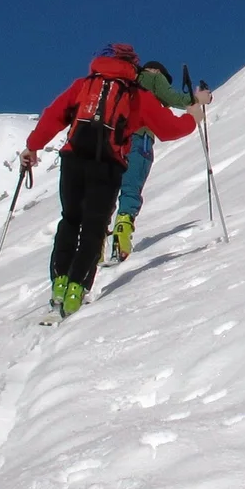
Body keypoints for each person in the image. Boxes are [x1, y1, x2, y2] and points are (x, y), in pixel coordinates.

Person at [20, 44, 206, 319]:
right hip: (108, 164)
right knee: (94, 227)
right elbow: (168, 128)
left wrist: (32, 147)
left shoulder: (84, 85)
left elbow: (54, 115)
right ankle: (76, 290)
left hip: (73, 160)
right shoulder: (136, 94)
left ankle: (59, 283)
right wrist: (193, 118)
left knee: (70, 219)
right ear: (133, 65)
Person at [107, 59, 207, 264]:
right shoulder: (154, 77)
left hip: (113, 141)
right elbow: (172, 96)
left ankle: (98, 239)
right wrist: (198, 99)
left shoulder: (125, 83)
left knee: (108, 189)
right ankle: (122, 233)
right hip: (140, 138)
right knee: (131, 188)